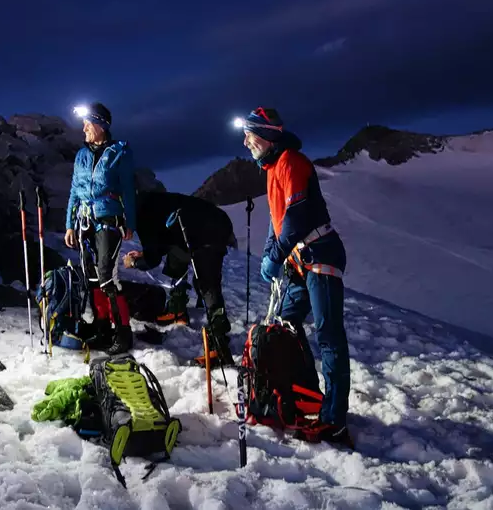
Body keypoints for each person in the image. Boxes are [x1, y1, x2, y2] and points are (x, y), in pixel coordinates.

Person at [238, 106, 351, 445]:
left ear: (267, 134)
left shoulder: (292, 163)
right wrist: (272, 253)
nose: (245, 142)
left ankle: (335, 419)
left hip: (320, 254)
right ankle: (300, 391)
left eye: (249, 134)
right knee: (286, 324)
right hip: (300, 260)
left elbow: (297, 218)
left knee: (329, 335)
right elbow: (279, 222)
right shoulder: (273, 169)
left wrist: (275, 255)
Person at [122, 191, 237, 366]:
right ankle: (177, 310)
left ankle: (219, 349)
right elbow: (163, 240)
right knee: (176, 257)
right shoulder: (146, 203)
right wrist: (145, 253)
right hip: (208, 221)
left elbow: (152, 259)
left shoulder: (143, 216)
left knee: (207, 285)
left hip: (210, 232)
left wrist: (134, 262)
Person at [65, 102, 136, 355]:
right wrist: (69, 225)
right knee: (92, 279)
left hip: (108, 220)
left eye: (88, 123)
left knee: (107, 276)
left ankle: (123, 333)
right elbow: (74, 191)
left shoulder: (119, 153)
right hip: (85, 221)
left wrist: (130, 223)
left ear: (101, 126)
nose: (84, 128)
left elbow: (128, 190)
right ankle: (102, 328)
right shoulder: (81, 155)